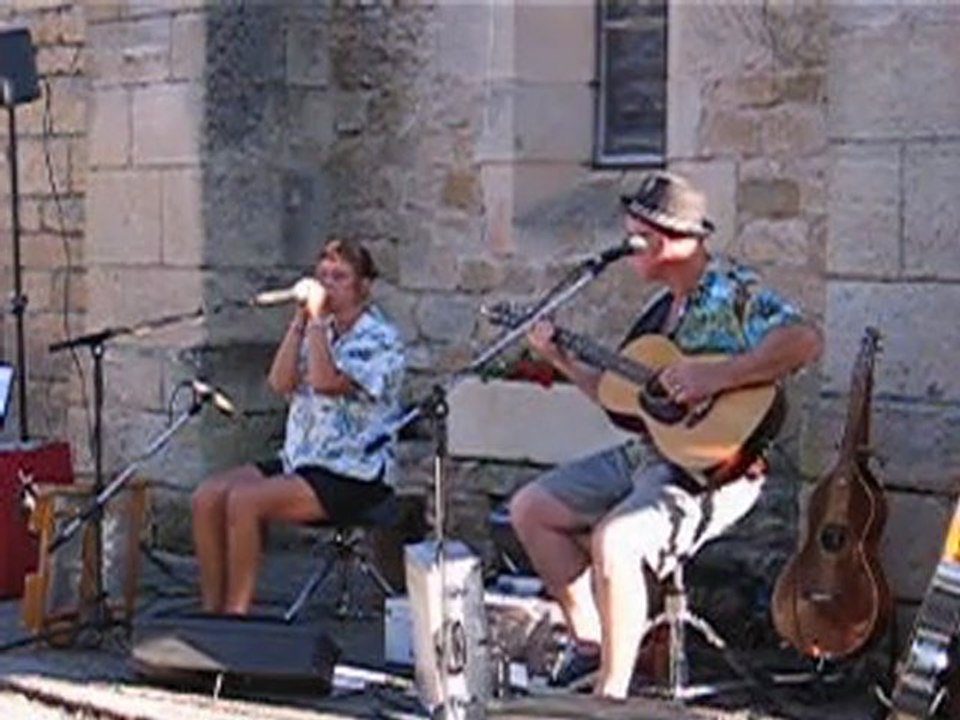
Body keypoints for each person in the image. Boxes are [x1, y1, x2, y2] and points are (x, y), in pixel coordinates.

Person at [509, 171, 822, 699]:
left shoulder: (730, 290)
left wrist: (717, 376)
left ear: (671, 239)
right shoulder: (659, 314)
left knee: (617, 538)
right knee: (530, 508)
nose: (631, 246)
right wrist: (558, 357)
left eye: (640, 236)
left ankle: (611, 697)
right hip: (648, 453)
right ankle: (591, 645)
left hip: (713, 472)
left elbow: (805, 340)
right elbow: (623, 402)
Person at [191, 238, 405, 615]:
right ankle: (211, 611)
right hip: (302, 458)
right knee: (208, 496)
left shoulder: (379, 339)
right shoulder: (317, 330)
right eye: (322, 275)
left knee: (245, 501)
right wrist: (299, 322)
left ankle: (237, 616)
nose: (327, 284)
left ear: (363, 286)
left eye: (339, 276)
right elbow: (280, 382)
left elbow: (324, 382)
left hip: (352, 471)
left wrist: (318, 322)